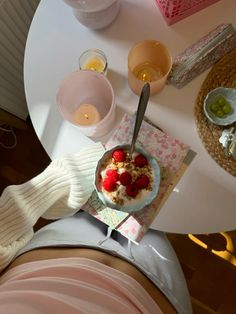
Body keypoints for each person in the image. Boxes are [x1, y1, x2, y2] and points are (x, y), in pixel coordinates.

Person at [0, 143, 192, 313]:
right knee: (157, 221)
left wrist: (75, 173)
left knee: (126, 209)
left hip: (59, 242)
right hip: (159, 286)